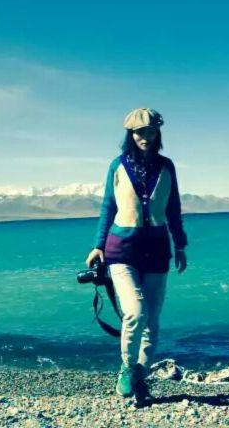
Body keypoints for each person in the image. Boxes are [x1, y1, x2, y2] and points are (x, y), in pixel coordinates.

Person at [85, 107, 188, 399]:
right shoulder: (117, 166)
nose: (145, 137)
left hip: (157, 250)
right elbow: (108, 206)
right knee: (135, 312)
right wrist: (98, 245)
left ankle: (140, 375)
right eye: (139, 132)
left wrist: (180, 244)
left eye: (151, 131)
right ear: (130, 134)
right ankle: (127, 368)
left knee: (151, 320)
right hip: (121, 249)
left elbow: (173, 208)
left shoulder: (167, 166)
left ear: (158, 133)